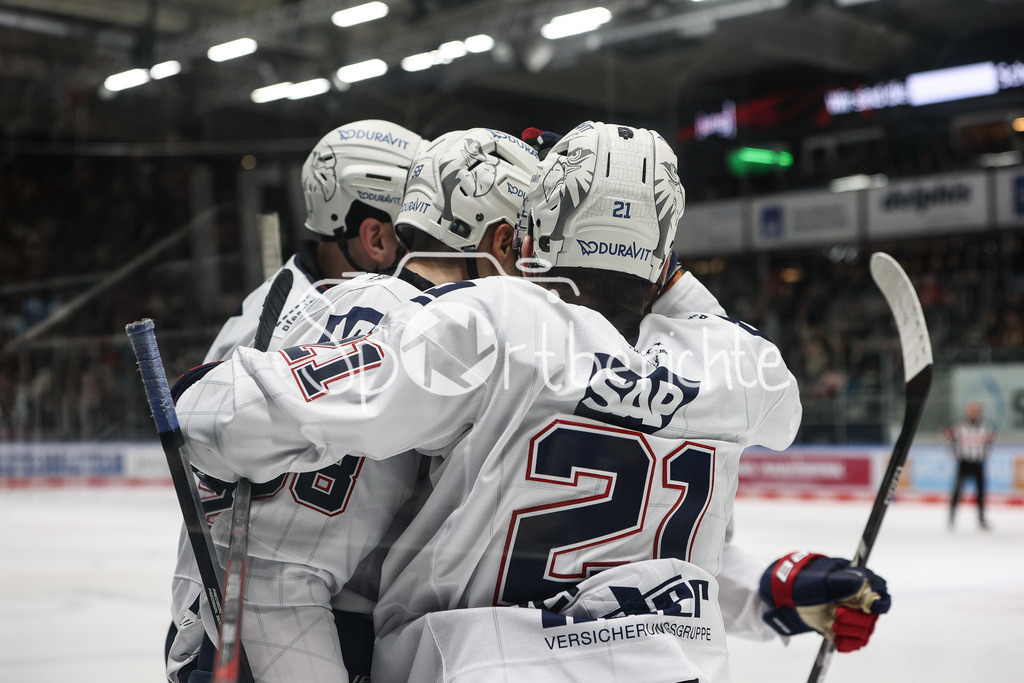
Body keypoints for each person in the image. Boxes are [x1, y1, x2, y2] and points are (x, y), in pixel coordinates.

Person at [175, 122, 889, 681]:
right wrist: (645, 237)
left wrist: (204, 394)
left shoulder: (489, 328)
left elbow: (237, 433)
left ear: (532, 237)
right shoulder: (742, 366)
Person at [170, 126, 539, 682]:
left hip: (225, 610)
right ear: (497, 241)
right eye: (524, 246)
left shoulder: (318, 299)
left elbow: (208, 421)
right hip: (303, 618)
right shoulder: (443, 336)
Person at [165, 119, 424, 682]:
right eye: (418, 233)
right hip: (277, 626)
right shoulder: (270, 325)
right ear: (375, 236)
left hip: (292, 617)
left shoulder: (283, 308)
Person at [944, 401, 996, 530]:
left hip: (978, 463)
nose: (974, 414)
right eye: (972, 411)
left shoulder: (986, 426)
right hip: (964, 462)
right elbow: (947, 437)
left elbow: (991, 441)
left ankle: (981, 518)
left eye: (976, 411)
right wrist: (956, 453)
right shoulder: (959, 426)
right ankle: (952, 517)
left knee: (981, 492)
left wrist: (984, 454)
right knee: (957, 491)